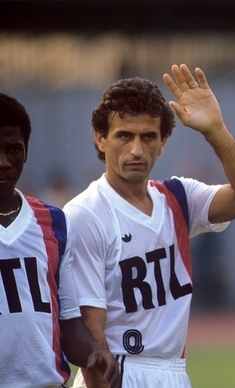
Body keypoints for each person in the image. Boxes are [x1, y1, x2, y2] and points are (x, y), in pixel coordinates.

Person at [65, 64, 235, 387]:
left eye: (148, 137)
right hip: (119, 370)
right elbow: (92, 338)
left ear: (163, 142)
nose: (136, 149)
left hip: (173, 371)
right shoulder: (85, 214)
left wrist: (215, 130)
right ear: (100, 140)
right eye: (124, 136)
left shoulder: (179, 198)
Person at [0, 93, 119, 387]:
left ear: (26, 152)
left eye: (13, 149)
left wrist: (94, 352)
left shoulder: (55, 222)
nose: (3, 162)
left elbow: (68, 324)